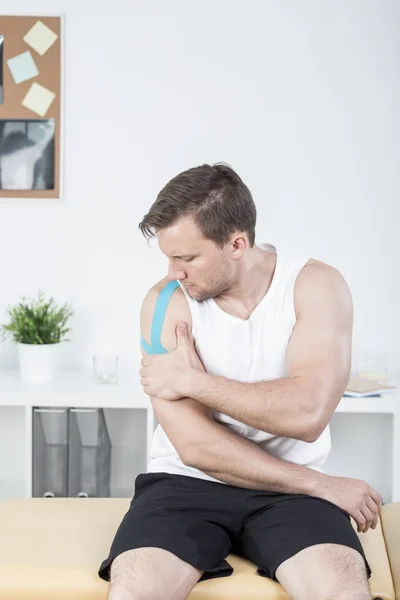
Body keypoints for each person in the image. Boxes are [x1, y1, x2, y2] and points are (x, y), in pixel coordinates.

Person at [99, 163, 381, 600]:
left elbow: (307, 414)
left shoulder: (315, 286)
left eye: (187, 257)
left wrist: (196, 382)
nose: (174, 271)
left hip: (292, 497)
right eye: (168, 257)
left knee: (343, 590)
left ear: (236, 244)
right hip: (186, 483)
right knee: (133, 591)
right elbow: (194, 447)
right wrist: (321, 485)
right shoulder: (164, 304)